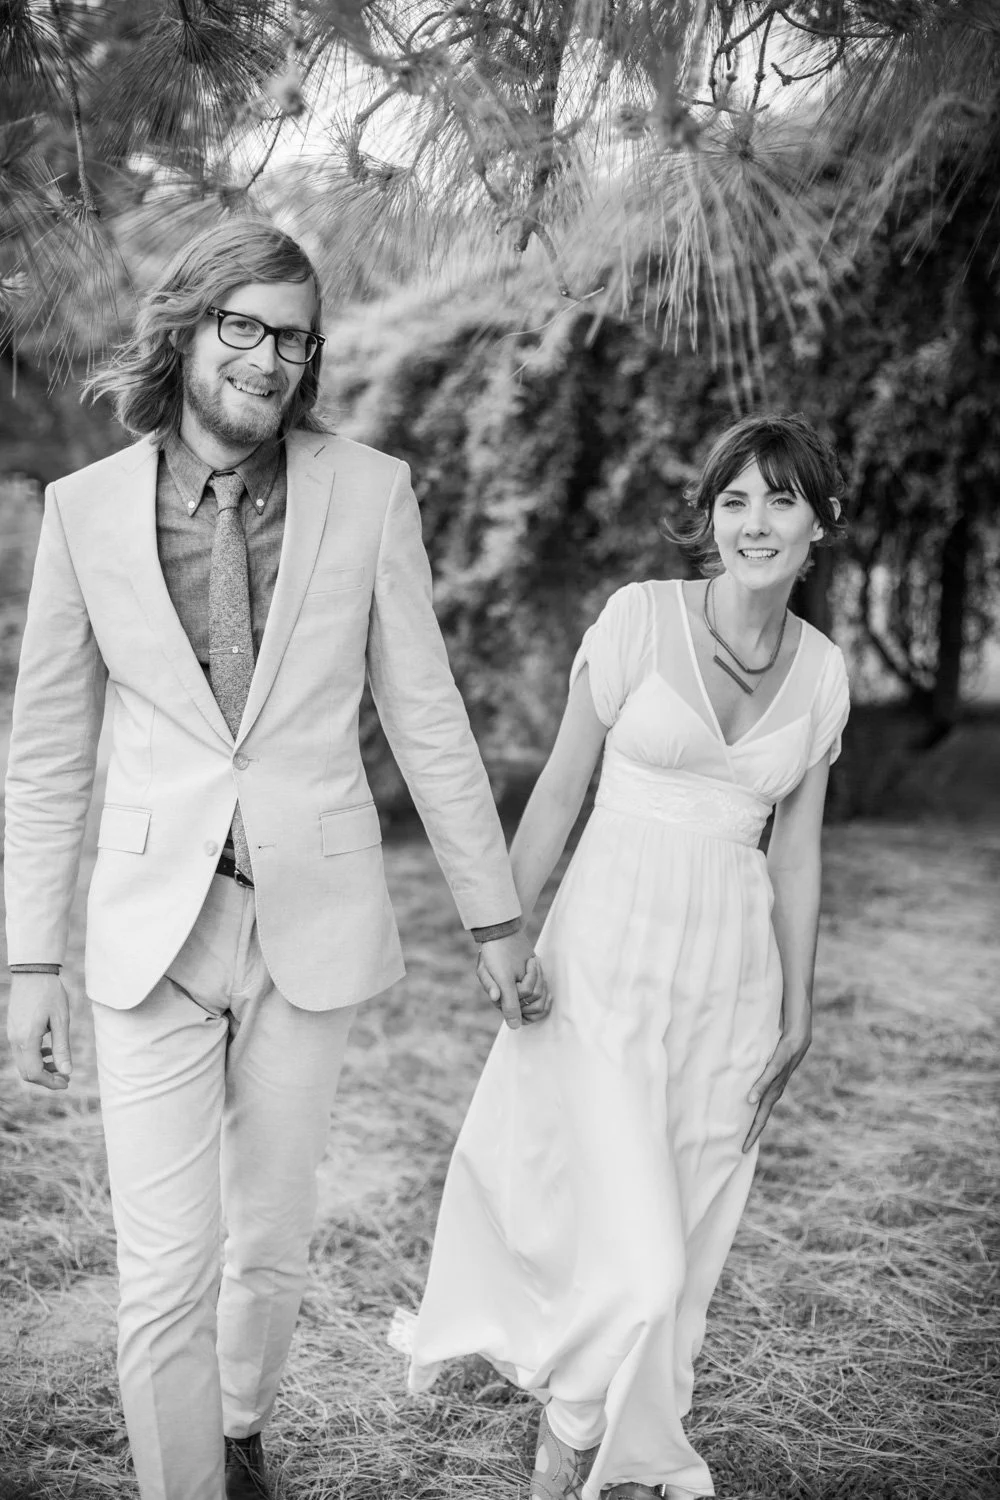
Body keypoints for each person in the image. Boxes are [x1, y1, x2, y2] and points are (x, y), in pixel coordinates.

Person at [3, 219, 548, 1500]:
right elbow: (48, 754)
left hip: (312, 918)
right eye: (241, 325)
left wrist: (495, 920)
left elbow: (426, 717)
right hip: (154, 933)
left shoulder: (369, 490)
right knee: (163, 1269)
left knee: (272, 1241)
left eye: (291, 337)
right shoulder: (85, 513)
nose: (266, 357)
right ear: (187, 329)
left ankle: (240, 1431)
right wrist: (28, 961)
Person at [407, 413, 851, 1500]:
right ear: (709, 517)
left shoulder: (825, 673)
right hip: (604, 963)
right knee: (639, 1260)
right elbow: (561, 787)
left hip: (730, 987)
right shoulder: (637, 620)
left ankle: (615, 1434)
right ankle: (571, 1432)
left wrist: (798, 1009)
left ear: (820, 525)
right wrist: (504, 932)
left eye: (781, 499)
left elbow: (795, 853)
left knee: (682, 1249)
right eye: (734, 499)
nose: (754, 522)